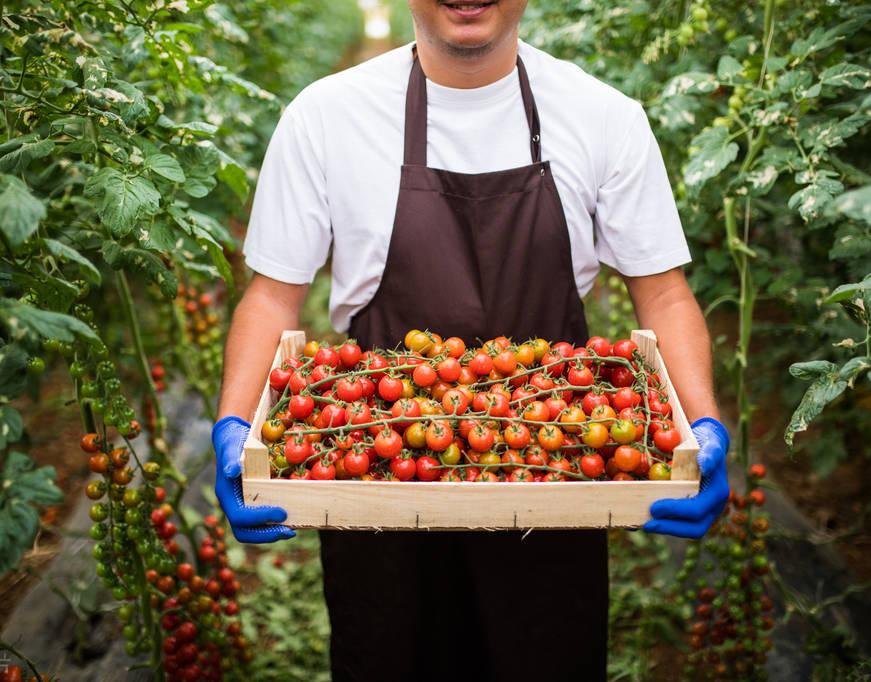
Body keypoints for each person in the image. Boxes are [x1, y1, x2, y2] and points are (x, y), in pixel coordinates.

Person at [210, 1, 730, 679]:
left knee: (545, 654)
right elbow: (271, 295)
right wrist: (233, 423)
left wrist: (702, 423)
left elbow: (661, 291)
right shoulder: (326, 118)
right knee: (392, 655)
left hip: (554, 467)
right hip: (378, 465)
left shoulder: (600, 116)